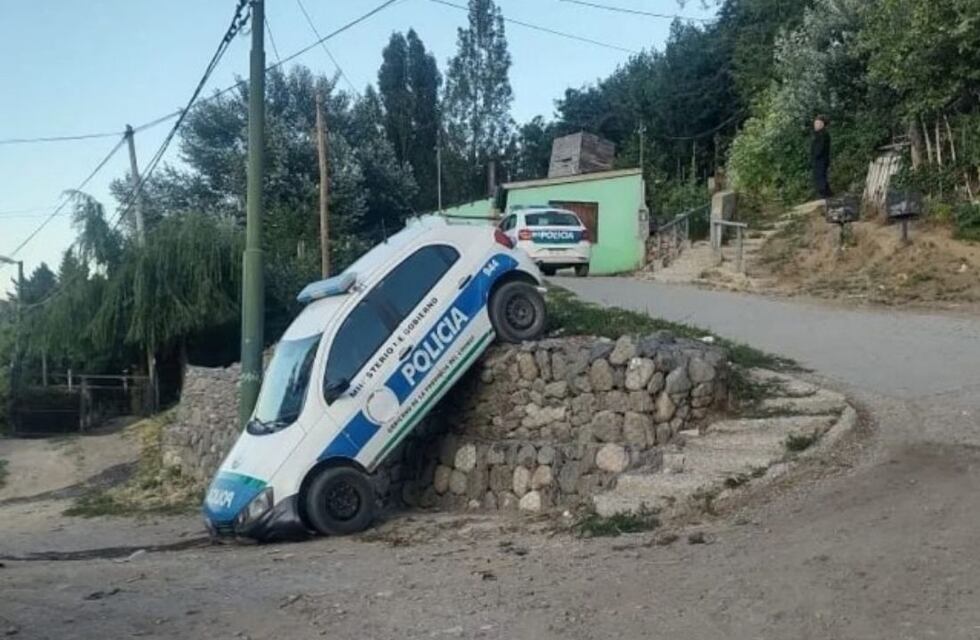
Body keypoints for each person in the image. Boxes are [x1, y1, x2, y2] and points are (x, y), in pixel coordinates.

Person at [811, 115, 832, 199]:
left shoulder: (823, 134)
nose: (816, 125)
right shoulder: (819, 134)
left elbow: (820, 148)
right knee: (821, 176)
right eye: (815, 123)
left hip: (821, 159)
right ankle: (828, 193)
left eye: (818, 123)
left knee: (820, 176)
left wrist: (815, 155)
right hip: (819, 159)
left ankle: (823, 194)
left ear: (822, 124)